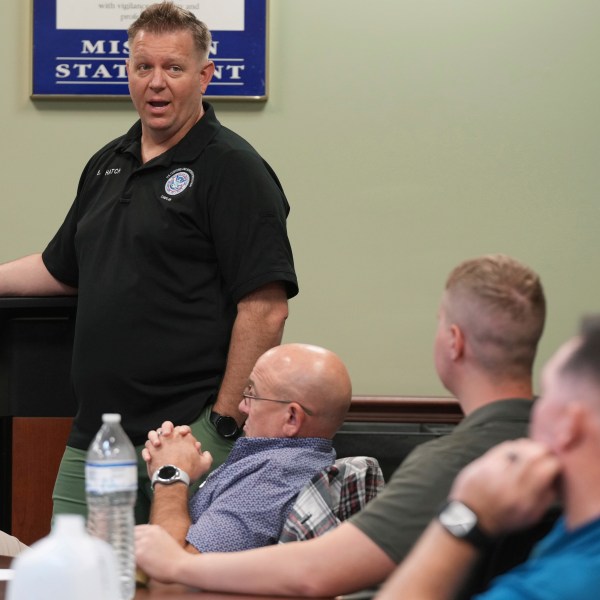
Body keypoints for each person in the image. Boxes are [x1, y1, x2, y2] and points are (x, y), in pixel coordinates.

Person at [0, 2, 298, 524]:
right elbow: (62, 269)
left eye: (174, 68)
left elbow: (265, 308)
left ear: (205, 75)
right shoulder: (107, 162)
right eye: (144, 67)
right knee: (76, 583)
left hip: (186, 439)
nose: (156, 83)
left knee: (175, 584)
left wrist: (221, 426)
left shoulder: (233, 169)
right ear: (128, 72)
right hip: (96, 438)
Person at [134, 253, 547, 596]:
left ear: (453, 342)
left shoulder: (450, 466)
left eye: (252, 393)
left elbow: (315, 573)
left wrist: (171, 497)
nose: (242, 405)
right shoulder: (564, 446)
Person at [376, 315, 600, 600]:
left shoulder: (556, 587)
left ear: (568, 424)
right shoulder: (574, 532)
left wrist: (465, 515)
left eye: (545, 394)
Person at [142, 343, 352, 553]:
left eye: (252, 394)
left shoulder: (272, 480)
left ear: (291, 418)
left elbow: (172, 577)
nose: (242, 407)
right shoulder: (300, 460)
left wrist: (170, 474)